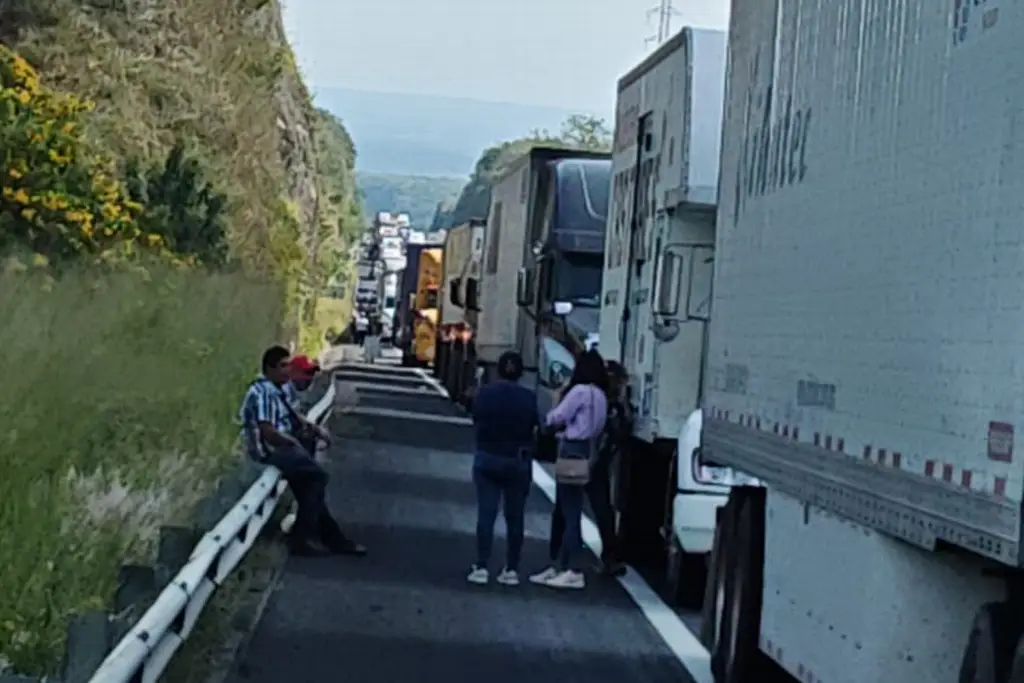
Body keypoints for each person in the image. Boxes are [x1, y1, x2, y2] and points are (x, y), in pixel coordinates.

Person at [240, 345, 366, 558]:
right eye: (282, 366)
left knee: (309, 486)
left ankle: (328, 537)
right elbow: (268, 431)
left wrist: (314, 429)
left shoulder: (277, 389)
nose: (287, 370)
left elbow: (292, 414)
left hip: (281, 446)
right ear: (269, 369)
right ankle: (306, 536)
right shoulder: (262, 393)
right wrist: (293, 444)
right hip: (270, 450)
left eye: (288, 365)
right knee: (316, 477)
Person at [530, 349, 608, 589]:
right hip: (589, 450)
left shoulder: (580, 392)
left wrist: (554, 405)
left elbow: (557, 417)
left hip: (571, 448)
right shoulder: (601, 395)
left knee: (570, 512)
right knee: (567, 509)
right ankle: (561, 566)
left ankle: (573, 568)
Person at [466, 350, 537, 586]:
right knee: (515, 517)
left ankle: (482, 565)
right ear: (520, 373)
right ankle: (511, 569)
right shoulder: (529, 397)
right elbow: (535, 426)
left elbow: (475, 418)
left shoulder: (485, 394)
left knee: (486, 514)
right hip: (517, 460)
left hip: (487, 457)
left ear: (498, 370)